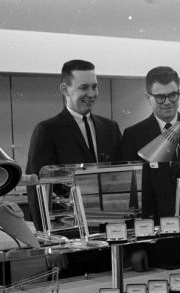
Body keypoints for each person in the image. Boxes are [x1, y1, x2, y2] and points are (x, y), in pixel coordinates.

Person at [26, 60, 122, 276]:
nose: (92, 93)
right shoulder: (48, 130)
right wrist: (47, 243)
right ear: (64, 89)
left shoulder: (111, 128)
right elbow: (36, 190)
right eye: (84, 87)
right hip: (67, 243)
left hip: (110, 241)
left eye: (95, 86)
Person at [120, 66, 180, 270]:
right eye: (160, 97)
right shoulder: (132, 136)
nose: (168, 102)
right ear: (148, 97)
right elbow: (131, 199)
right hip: (155, 245)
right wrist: (136, 246)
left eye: (173, 95)